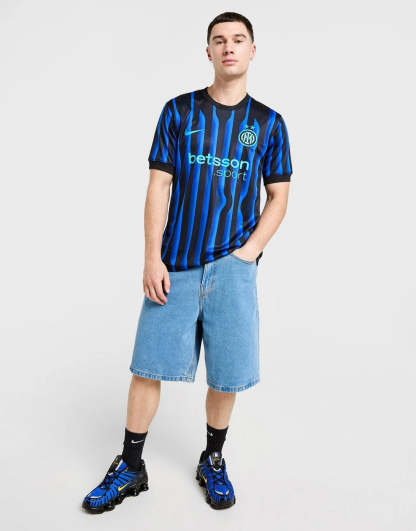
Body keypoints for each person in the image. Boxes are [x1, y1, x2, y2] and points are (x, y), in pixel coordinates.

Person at [82, 11, 293, 514]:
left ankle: (212, 460)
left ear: (252, 50)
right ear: (208, 51)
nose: (229, 47)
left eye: (238, 40)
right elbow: (159, 185)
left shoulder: (268, 123)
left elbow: (279, 195)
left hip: (233, 270)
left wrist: (247, 255)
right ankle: (130, 465)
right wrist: (151, 257)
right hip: (175, 264)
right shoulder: (179, 112)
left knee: (226, 375)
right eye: (219, 40)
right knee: (147, 367)